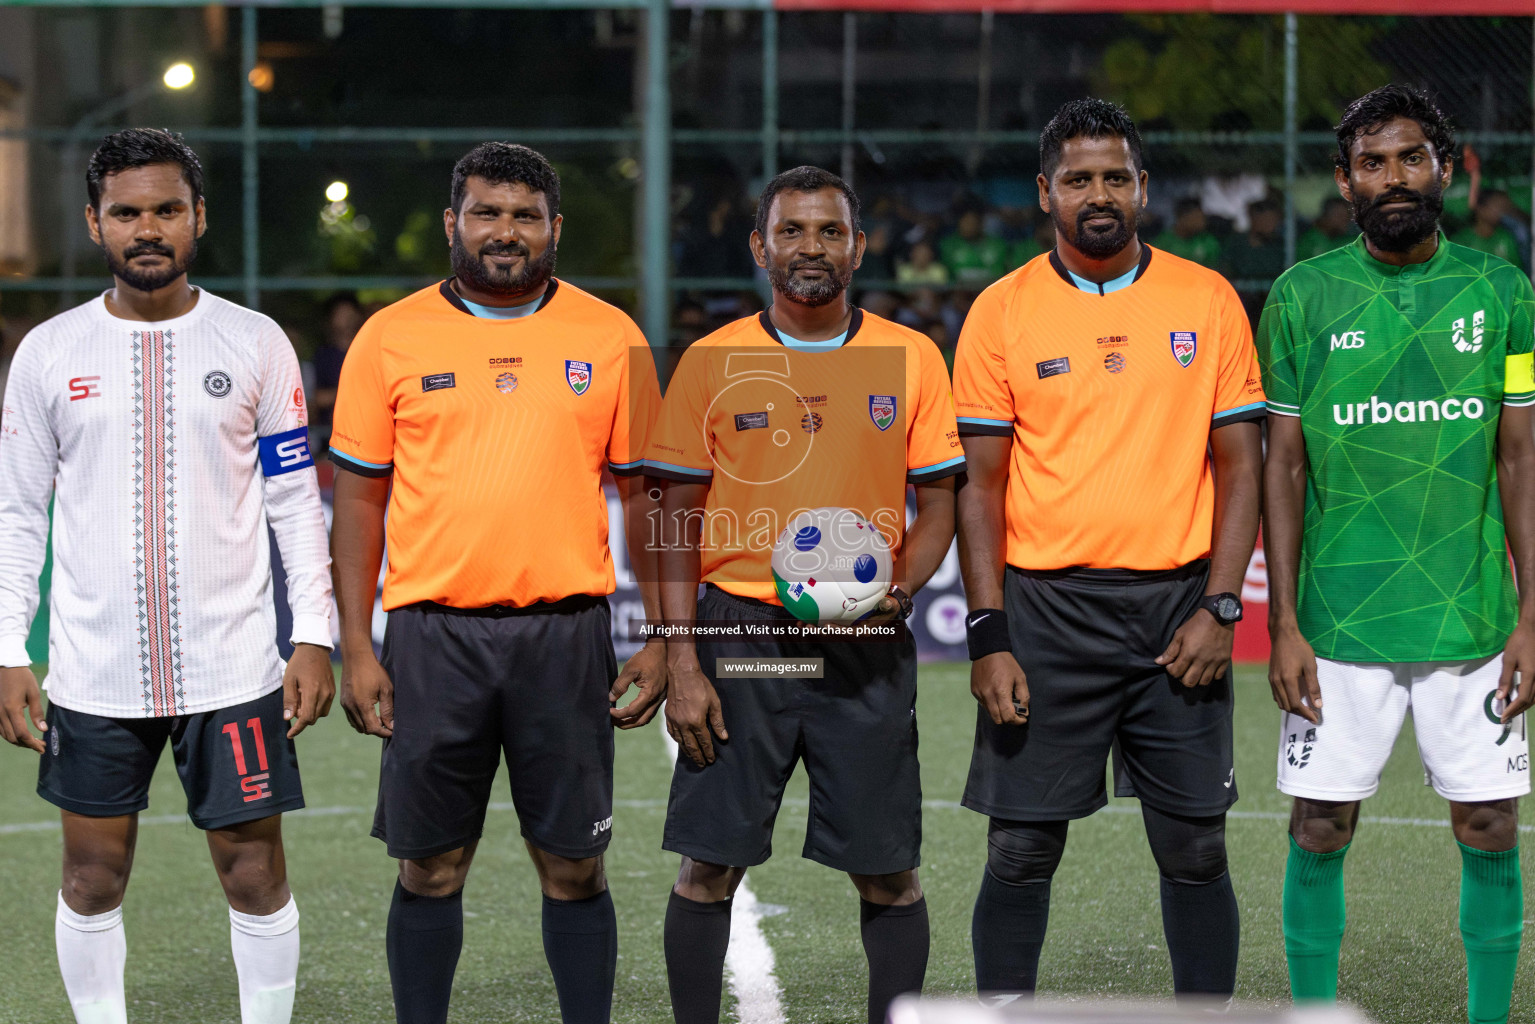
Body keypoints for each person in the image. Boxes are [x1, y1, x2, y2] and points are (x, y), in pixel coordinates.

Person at [0, 129, 334, 1024]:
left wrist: (313, 635)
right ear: (94, 223)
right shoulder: (47, 352)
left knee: (255, 872)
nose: (147, 228)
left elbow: (296, 503)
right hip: (93, 670)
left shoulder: (257, 343)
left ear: (198, 218)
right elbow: (17, 512)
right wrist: (4, 648)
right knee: (91, 874)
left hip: (232, 668)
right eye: (126, 212)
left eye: (166, 210)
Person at [327, 142, 664, 1024]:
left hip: (567, 634)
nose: (503, 232)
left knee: (574, 865)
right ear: (453, 223)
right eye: (485, 212)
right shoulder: (388, 337)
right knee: (430, 866)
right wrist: (356, 645)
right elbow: (358, 503)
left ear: (554, 228)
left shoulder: (610, 335)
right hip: (433, 639)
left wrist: (667, 637)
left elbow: (644, 495)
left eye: (523, 216)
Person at [952, 98, 1265, 1000]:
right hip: (1046, 615)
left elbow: (1238, 466)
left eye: (1116, 177)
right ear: (1046, 191)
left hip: (1178, 612)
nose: (1100, 193)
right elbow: (982, 483)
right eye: (1080, 179)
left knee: (1195, 847)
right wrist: (987, 632)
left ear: (1141, 188)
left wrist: (1219, 606)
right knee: (1019, 848)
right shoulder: (999, 310)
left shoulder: (1204, 299)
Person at [646, 165, 963, 1024]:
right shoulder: (711, 362)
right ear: (760, 247)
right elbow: (673, 518)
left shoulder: (911, 355)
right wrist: (679, 655)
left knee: (889, 871)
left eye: (829, 232)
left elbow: (938, 500)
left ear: (857, 247)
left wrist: (905, 581)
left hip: (862, 644)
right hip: (743, 640)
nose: (810, 248)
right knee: (709, 864)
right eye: (792, 232)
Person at [1260, 84, 1530, 1022]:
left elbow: (1520, 453)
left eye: (1410, 157)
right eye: (1371, 162)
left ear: (1444, 169)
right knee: (1320, 825)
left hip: (1472, 618)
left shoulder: (1502, 291)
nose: (1393, 177)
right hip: (1337, 621)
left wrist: (1531, 612)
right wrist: (1283, 622)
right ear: (1343, 181)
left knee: (1491, 825)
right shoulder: (1302, 295)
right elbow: (1282, 462)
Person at [310, 291, 364, 448]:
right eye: (340, 313)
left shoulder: (368, 350)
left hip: (364, 433)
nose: (347, 319)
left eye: (350, 313)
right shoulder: (323, 355)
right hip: (330, 437)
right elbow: (316, 398)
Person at [1450, 188, 1524, 270]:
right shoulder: (1461, 241)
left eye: (1503, 208)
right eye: (1496, 206)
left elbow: (1515, 270)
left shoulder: (1506, 238)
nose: (1500, 212)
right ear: (1480, 208)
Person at [941, 207, 1010, 287]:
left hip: (992, 291)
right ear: (959, 222)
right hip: (958, 292)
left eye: (972, 222)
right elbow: (947, 276)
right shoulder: (948, 245)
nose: (969, 226)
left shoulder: (998, 245)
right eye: (966, 222)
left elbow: (1001, 274)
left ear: (981, 223)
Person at [1153, 197, 1222, 268]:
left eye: (1202, 217)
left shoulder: (1208, 241)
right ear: (1182, 217)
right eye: (1196, 217)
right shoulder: (1164, 242)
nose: (1201, 222)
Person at [1295, 196, 1355, 262]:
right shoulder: (1308, 241)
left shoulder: (1350, 240)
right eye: (1340, 216)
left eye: (1348, 216)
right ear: (1326, 216)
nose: (1346, 221)